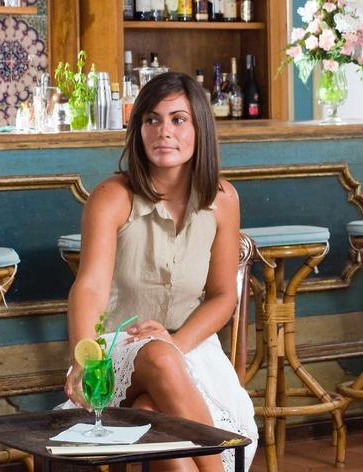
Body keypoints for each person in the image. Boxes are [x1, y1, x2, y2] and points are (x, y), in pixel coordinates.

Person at [63, 72, 257, 472]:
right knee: (159, 358)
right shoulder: (111, 197)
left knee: (154, 414)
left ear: (200, 127)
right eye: (151, 120)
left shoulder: (223, 199)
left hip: (191, 348)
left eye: (178, 119)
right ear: (138, 131)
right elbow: (91, 285)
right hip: (113, 351)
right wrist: (84, 358)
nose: (163, 132)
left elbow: (223, 295)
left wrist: (177, 342)